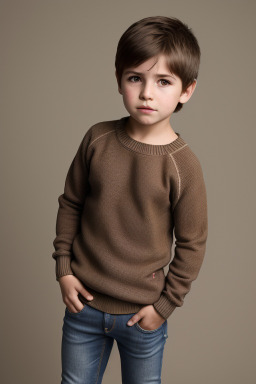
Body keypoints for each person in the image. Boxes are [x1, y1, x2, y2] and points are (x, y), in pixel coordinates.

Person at [52, 15, 208, 384]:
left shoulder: (183, 165)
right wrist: (64, 268)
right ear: (119, 78)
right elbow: (71, 203)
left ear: (186, 90)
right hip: (84, 306)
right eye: (135, 78)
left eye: (164, 81)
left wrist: (165, 305)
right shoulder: (97, 139)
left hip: (143, 316)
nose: (147, 93)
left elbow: (192, 243)